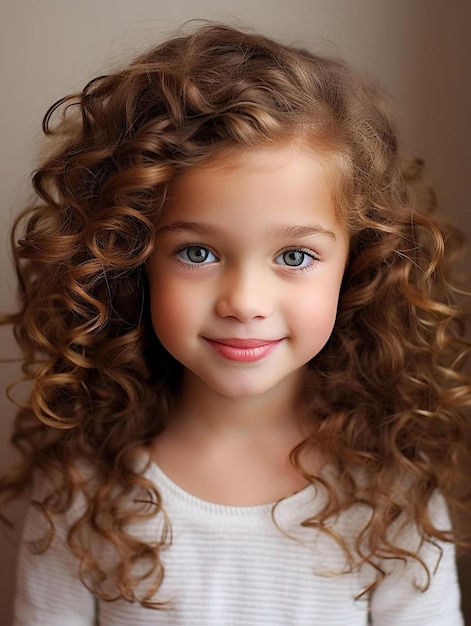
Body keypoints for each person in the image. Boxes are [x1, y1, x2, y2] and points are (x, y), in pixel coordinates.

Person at [1, 22, 470, 626]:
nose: (245, 302)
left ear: (355, 265)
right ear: (131, 260)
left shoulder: (393, 493)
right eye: (198, 253)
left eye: (294, 257)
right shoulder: (82, 492)